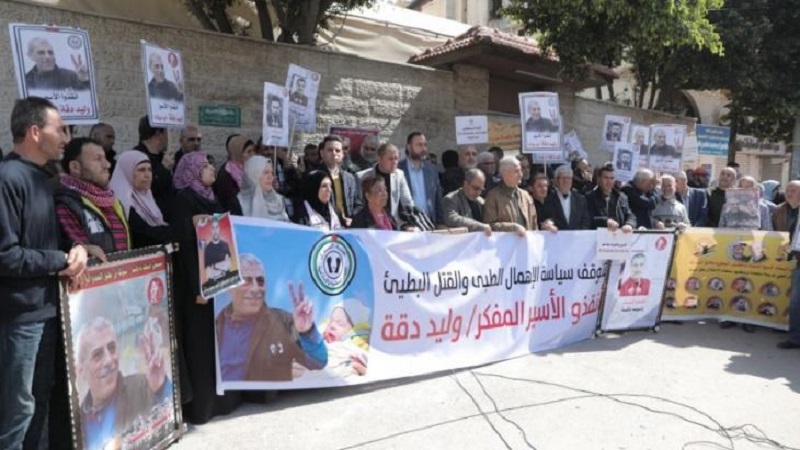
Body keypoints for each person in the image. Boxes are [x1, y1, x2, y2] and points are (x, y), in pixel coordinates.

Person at [0, 97, 88, 450]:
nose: (66, 138)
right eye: (60, 129)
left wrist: (77, 248)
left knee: (41, 403)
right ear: (35, 132)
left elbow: (49, 233)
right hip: (20, 318)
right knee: (17, 412)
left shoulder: (46, 179)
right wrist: (60, 259)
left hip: (49, 310)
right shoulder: (8, 179)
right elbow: (6, 256)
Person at [170, 151, 240, 424]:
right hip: (199, 288)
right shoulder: (183, 200)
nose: (212, 168)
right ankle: (203, 406)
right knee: (200, 346)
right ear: (193, 171)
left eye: (211, 164)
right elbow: (186, 248)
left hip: (218, 282)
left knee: (218, 341)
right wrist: (198, 288)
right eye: (206, 165)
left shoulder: (212, 197)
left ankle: (224, 401)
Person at [215, 253, 327, 381]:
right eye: (246, 281)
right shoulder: (217, 324)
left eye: (260, 281)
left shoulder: (284, 321)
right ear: (230, 287)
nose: (255, 288)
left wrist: (307, 332)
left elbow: (319, 361)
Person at [74, 316, 173, 450]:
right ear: (81, 370)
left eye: (112, 348)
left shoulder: (142, 386)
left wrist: (161, 386)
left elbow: (169, 412)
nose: (109, 360)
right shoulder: (78, 421)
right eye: (97, 355)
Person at [55, 137, 131, 260]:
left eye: (105, 158)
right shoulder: (66, 204)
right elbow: (80, 253)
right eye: (98, 159)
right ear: (75, 167)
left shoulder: (113, 202)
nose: (107, 165)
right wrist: (84, 248)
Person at [108, 150, 172, 248]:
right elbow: (144, 234)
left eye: (149, 169)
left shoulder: (147, 196)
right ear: (128, 172)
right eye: (141, 170)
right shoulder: (122, 201)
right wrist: (178, 232)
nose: (147, 175)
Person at [484, 157, 550, 236]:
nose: (521, 174)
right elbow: (489, 226)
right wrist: (513, 227)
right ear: (505, 174)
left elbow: (534, 225)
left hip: (526, 242)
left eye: (520, 170)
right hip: (506, 243)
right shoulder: (493, 196)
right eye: (516, 171)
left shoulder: (526, 196)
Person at [357, 143, 414, 223]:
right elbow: (359, 203)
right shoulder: (362, 177)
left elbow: (407, 201)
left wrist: (411, 220)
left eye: (396, 158)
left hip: (393, 223)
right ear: (379, 159)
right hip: (370, 222)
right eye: (390, 159)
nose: (394, 162)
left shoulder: (399, 175)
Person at [399, 132, 444, 226]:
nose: (423, 149)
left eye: (425, 145)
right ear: (408, 147)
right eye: (419, 145)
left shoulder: (432, 170)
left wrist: (440, 223)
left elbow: (437, 199)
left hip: (429, 223)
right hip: (408, 225)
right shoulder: (399, 169)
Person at [134, 115, 173, 221]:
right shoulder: (136, 157)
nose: (168, 137)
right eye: (166, 132)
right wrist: (162, 170)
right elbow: (144, 190)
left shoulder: (162, 158)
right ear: (158, 134)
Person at [319, 135, 363, 226]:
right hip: (324, 224)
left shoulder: (350, 178)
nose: (334, 153)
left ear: (343, 154)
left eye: (337, 150)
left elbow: (358, 204)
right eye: (330, 150)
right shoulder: (314, 176)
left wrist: (353, 219)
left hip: (348, 226)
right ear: (322, 153)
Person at [24, 37, 90, 91]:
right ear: (30, 56)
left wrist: (84, 80)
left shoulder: (70, 77)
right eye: (41, 53)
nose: (48, 57)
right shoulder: (25, 80)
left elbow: (85, 97)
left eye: (50, 52)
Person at [237, 155, 290, 221]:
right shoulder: (239, 203)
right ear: (253, 174)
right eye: (266, 173)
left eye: (272, 173)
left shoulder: (279, 201)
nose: (271, 177)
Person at [585, 164, 636, 232]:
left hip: (618, 236)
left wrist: (629, 224)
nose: (609, 181)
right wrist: (605, 221)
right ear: (599, 179)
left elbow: (630, 215)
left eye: (612, 178)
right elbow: (587, 219)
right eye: (606, 178)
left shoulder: (622, 197)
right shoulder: (589, 197)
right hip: (598, 235)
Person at [539, 165, 591, 231]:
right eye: (562, 178)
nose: (566, 181)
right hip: (556, 236)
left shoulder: (581, 200)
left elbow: (586, 222)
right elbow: (544, 220)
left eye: (568, 178)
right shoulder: (547, 200)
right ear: (556, 181)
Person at [214, 135, 255, 214]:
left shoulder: (246, 170)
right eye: (249, 152)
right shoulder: (226, 175)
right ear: (238, 153)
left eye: (254, 151)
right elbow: (231, 204)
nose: (253, 155)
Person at [442, 168, 491, 235]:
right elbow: (452, 219)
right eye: (475, 188)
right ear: (466, 183)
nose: (478, 192)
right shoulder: (450, 199)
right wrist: (479, 226)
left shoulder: (481, 202)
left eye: (481, 189)